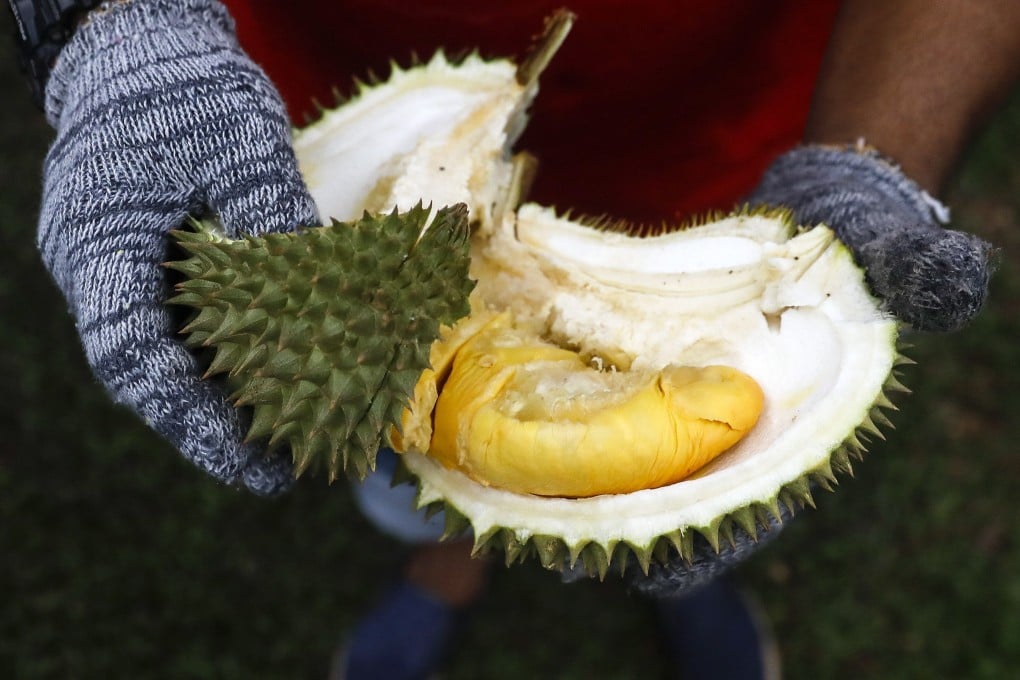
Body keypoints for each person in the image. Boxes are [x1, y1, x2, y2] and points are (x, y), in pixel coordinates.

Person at [10, 0, 1019, 678]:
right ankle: (446, 559)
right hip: (354, 143)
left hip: (722, 125)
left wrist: (866, 159)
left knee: (697, 506)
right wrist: (104, 18)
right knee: (404, 440)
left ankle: (689, 569)